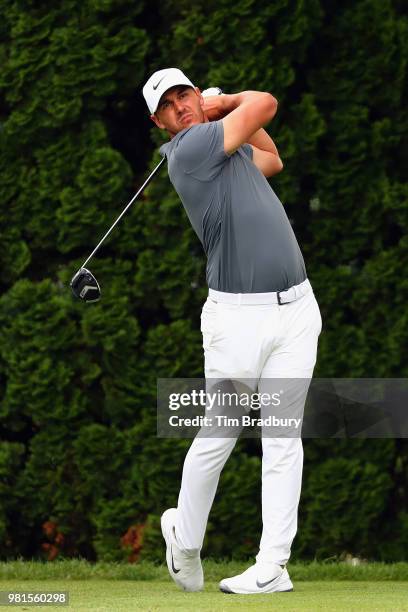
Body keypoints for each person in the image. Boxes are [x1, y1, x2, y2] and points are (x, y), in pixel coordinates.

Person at [142, 68, 322, 595]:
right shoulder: (192, 149)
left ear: (195, 94)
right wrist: (226, 105)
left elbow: (271, 159)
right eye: (169, 105)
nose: (181, 106)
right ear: (160, 123)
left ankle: (273, 566)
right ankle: (186, 537)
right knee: (219, 434)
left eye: (186, 95)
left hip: (295, 309)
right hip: (237, 320)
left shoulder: (228, 151)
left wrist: (225, 113)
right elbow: (264, 102)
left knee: (284, 439)